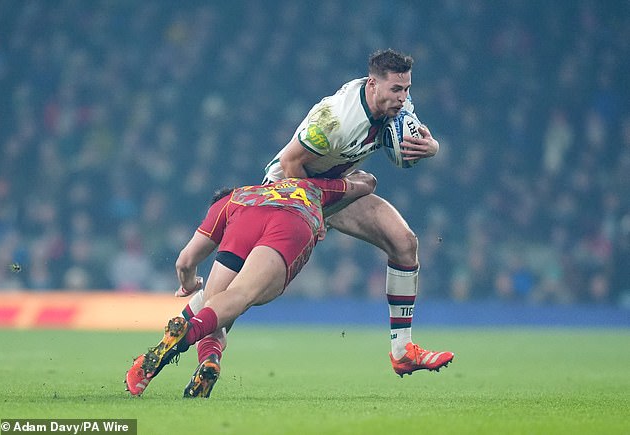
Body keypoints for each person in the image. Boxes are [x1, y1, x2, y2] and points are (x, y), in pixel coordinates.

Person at [191, 48, 454, 378]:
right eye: (396, 90)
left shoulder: (397, 104)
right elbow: (289, 163)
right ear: (373, 84)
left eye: (407, 89)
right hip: (287, 192)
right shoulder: (335, 119)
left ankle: (402, 351)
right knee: (245, 293)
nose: (403, 98)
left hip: (336, 188)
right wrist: (310, 212)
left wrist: (433, 148)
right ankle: (200, 345)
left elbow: (415, 135)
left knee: (404, 242)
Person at [125, 171, 377, 397]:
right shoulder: (312, 186)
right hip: (291, 221)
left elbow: (185, 261)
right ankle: (187, 335)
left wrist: (189, 284)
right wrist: (352, 176)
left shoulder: (229, 202)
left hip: (245, 221)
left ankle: (207, 356)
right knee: (239, 296)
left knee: (215, 305)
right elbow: (367, 183)